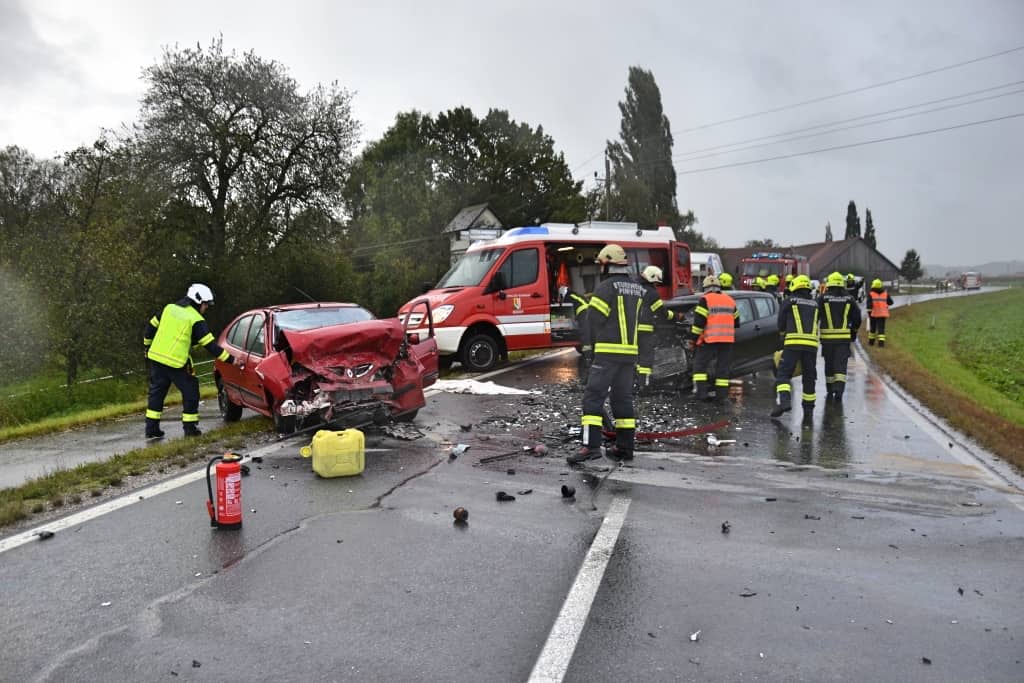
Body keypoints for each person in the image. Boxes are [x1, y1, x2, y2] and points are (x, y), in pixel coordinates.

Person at [568, 244, 647, 464]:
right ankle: (625, 448)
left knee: (592, 400)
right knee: (622, 400)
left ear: (607, 264)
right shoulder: (637, 288)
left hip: (608, 353)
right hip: (630, 355)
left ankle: (590, 447)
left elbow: (595, 319)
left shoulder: (605, 288)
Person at [143, 283, 238, 439]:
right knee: (191, 393)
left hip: (156, 358)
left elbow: (150, 327)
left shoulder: (169, 308)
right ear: (198, 301)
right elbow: (211, 346)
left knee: (156, 394)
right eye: (206, 304)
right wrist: (233, 360)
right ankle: (190, 429)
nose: (206, 308)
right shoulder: (196, 319)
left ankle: (151, 429)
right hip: (176, 363)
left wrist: (146, 347)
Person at [771, 275, 819, 418]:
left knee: (783, 373)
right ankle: (808, 409)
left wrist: (782, 334)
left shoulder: (789, 301)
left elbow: (781, 323)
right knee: (809, 376)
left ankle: (785, 402)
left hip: (793, 343)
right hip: (811, 346)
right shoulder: (815, 303)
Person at [690, 275, 739, 401]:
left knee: (700, 367)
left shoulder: (705, 300)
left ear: (705, 288)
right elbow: (737, 322)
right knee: (722, 369)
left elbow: (698, 324)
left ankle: (701, 394)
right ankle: (721, 396)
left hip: (709, 340)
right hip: (727, 341)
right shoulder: (730, 300)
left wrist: (693, 340)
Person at [635, 265, 681, 386]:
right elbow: (661, 313)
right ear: (651, 278)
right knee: (645, 358)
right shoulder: (651, 293)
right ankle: (643, 385)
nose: (656, 286)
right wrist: (675, 316)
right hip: (644, 330)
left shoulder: (634, 288)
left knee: (633, 357)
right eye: (655, 283)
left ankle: (632, 383)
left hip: (629, 329)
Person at [819, 271, 862, 401]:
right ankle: (839, 391)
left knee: (829, 364)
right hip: (843, 340)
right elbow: (857, 318)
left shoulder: (822, 298)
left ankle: (830, 388)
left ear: (829, 284)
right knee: (840, 365)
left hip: (827, 341)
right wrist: (853, 332)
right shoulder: (850, 299)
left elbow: (815, 315)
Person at [866, 278, 893, 347]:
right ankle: (881, 344)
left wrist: (869, 314)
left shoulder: (871, 294)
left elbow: (869, 306)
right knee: (881, 329)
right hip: (883, 314)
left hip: (874, 314)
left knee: (873, 329)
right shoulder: (885, 293)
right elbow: (891, 302)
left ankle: (871, 343)